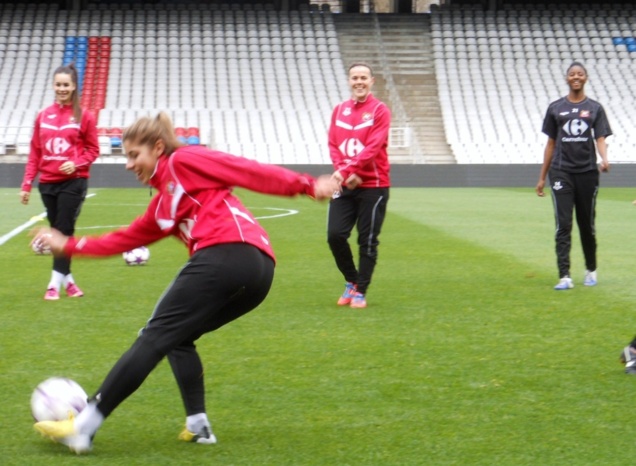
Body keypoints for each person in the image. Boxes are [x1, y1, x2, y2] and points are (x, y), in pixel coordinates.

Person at [32, 112, 339, 454]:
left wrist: (307, 185)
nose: (129, 164)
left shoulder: (183, 160)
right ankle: (198, 426)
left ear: (158, 148)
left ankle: (84, 425)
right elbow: (121, 240)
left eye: (134, 155)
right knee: (177, 338)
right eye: (125, 156)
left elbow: (245, 169)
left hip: (226, 255)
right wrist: (67, 244)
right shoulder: (163, 205)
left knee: (154, 335)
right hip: (259, 271)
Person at [20, 63, 100, 300]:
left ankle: (53, 284)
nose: (62, 88)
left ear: (74, 87)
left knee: (63, 230)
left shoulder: (85, 116)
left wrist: (76, 163)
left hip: (73, 182)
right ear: (53, 86)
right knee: (57, 232)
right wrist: (26, 184)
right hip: (47, 183)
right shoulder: (43, 116)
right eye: (58, 84)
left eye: (66, 85)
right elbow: (35, 151)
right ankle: (70, 282)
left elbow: (93, 150)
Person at [535, 61, 612, 290]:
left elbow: (600, 138)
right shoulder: (555, 108)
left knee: (586, 224)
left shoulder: (595, 108)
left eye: (580, 74)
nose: (576, 77)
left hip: (587, 172)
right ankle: (565, 276)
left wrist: (604, 158)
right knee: (563, 224)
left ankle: (591, 269)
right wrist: (542, 177)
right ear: (567, 79)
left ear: (585, 78)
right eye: (572, 74)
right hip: (561, 172)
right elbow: (550, 143)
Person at [326, 62, 391, 309]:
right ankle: (351, 280)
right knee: (335, 235)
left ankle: (361, 291)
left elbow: (374, 147)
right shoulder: (339, 110)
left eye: (363, 77)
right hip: (345, 183)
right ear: (349, 81)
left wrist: (347, 171)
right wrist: (344, 173)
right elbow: (333, 144)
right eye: (355, 78)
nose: (359, 81)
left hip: (374, 184)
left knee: (368, 240)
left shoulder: (380, 110)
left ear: (371, 81)